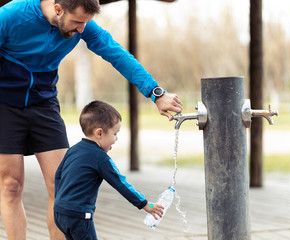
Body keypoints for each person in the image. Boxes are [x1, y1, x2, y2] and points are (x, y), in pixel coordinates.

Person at [0, 0, 182, 239]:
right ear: (58, 9)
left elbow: (116, 53)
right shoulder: (11, 16)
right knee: (11, 185)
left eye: (86, 23)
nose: (81, 30)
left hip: (43, 102)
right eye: (77, 22)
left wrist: (155, 92)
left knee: (61, 187)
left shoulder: (84, 26)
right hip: (4, 103)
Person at [54, 100, 164, 239]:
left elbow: (58, 176)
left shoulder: (73, 150)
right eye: (115, 133)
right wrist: (144, 204)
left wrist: (61, 200)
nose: (116, 138)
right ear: (99, 133)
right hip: (79, 215)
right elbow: (121, 183)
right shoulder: (100, 158)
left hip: (59, 212)